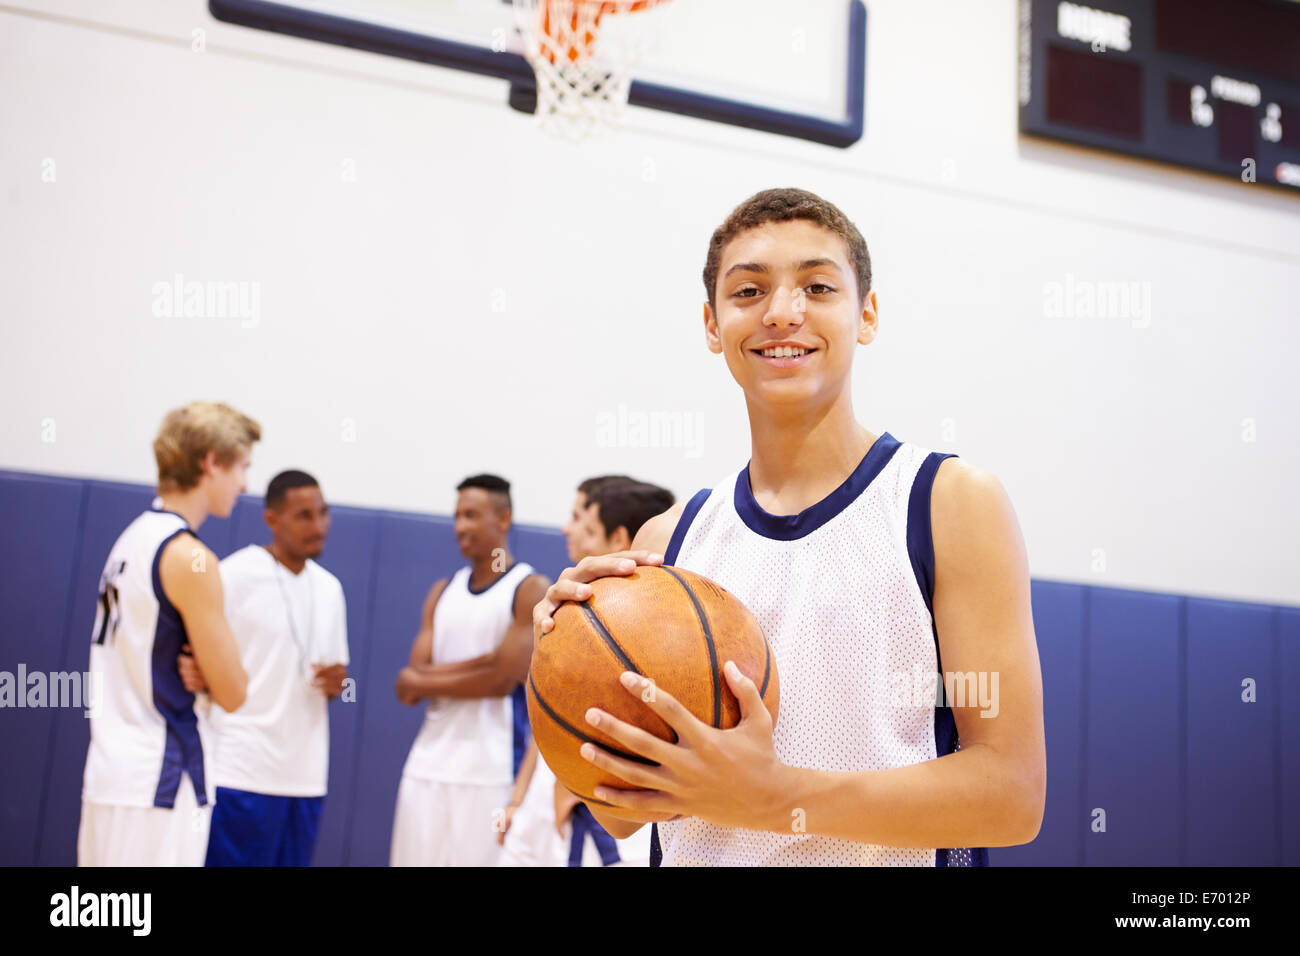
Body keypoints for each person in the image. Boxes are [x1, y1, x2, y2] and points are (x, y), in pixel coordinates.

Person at [532, 188, 1047, 866]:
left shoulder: (946, 504)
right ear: (713, 326)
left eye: (817, 285)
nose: (782, 312)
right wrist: (566, 662)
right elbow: (621, 815)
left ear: (865, 314)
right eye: (748, 291)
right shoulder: (668, 541)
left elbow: (1010, 795)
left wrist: (777, 798)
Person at [77, 401, 257, 866]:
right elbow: (235, 691)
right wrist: (215, 675)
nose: (245, 484)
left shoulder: (131, 538)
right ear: (211, 462)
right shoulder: (190, 558)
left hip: (111, 772)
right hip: (161, 778)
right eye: (241, 467)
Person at [498, 476, 673, 867]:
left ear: (620, 540)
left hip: (601, 807)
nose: (568, 528)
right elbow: (542, 719)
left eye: (583, 521)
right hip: (548, 790)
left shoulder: (657, 631)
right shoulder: (569, 605)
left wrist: (576, 791)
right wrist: (518, 798)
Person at [182, 470, 349, 867]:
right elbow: (195, 664)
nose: (318, 525)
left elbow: (340, 677)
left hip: (305, 777)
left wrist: (340, 684)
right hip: (241, 770)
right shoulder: (233, 576)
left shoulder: (330, 588)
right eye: (304, 515)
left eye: (323, 513)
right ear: (272, 519)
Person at [390, 474, 551, 866]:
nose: (461, 526)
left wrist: (434, 677)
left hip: (489, 773)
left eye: (472, 515)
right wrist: (489, 662)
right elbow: (407, 687)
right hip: (426, 766)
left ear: (504, 518)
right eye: (458, 515)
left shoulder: (528, 588)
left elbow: (500, 682)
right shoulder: (442, 590)